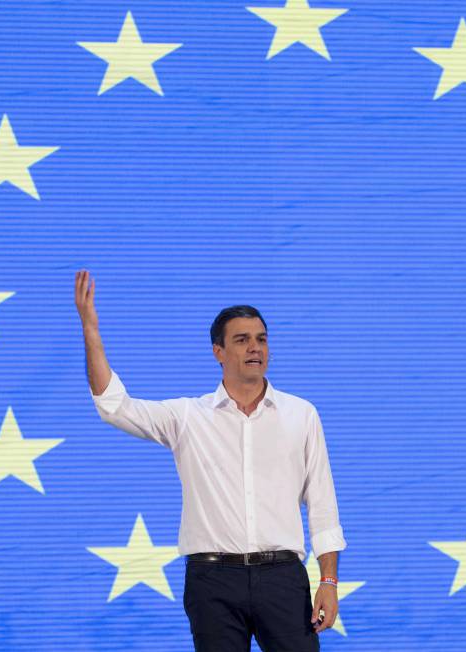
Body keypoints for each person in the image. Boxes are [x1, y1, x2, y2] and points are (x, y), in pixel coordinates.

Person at [75, 270, 347, 652]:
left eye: (261, 339)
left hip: (283, 578)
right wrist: (90, 330)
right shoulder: (188, 416)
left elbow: (322, 503)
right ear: (218, 351)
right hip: (212, 580)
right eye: (242, 340)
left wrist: (329, 582)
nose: (255, 348)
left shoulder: (301, 414)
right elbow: (115, 408)